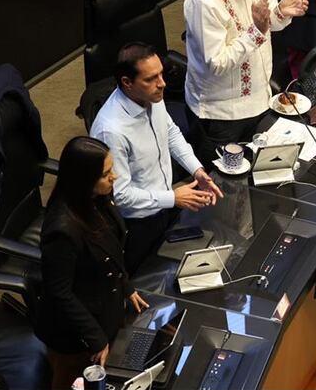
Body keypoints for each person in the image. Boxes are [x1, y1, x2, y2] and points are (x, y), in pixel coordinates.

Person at [90, 43, 222, 273]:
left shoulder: (152, 96)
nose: (162, 83)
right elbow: (120, 196)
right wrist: (172, 198)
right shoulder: (112, 130)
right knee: (146, 280)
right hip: (135, 224)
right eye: (151, 78)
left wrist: (197, 170)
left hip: (164, 202)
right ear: (127, 83)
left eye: (161, 74)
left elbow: (170, 132)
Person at [184, 0, 310, 163]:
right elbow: (217, 64)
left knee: (257, 172)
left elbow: (268, 21)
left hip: (259, 99)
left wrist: (281, 13)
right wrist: (256, 32)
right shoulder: (205, 0)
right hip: (222, 115)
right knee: (223, 187)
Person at [37, 136, 149, 390]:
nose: (115, 177)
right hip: (75, 333)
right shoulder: (62, 230)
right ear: (83, 180)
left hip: (105, 307)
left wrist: (126, 285)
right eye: (106, 174)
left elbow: (112, 247)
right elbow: (60, 292)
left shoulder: (98, 199)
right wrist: (95, 338)